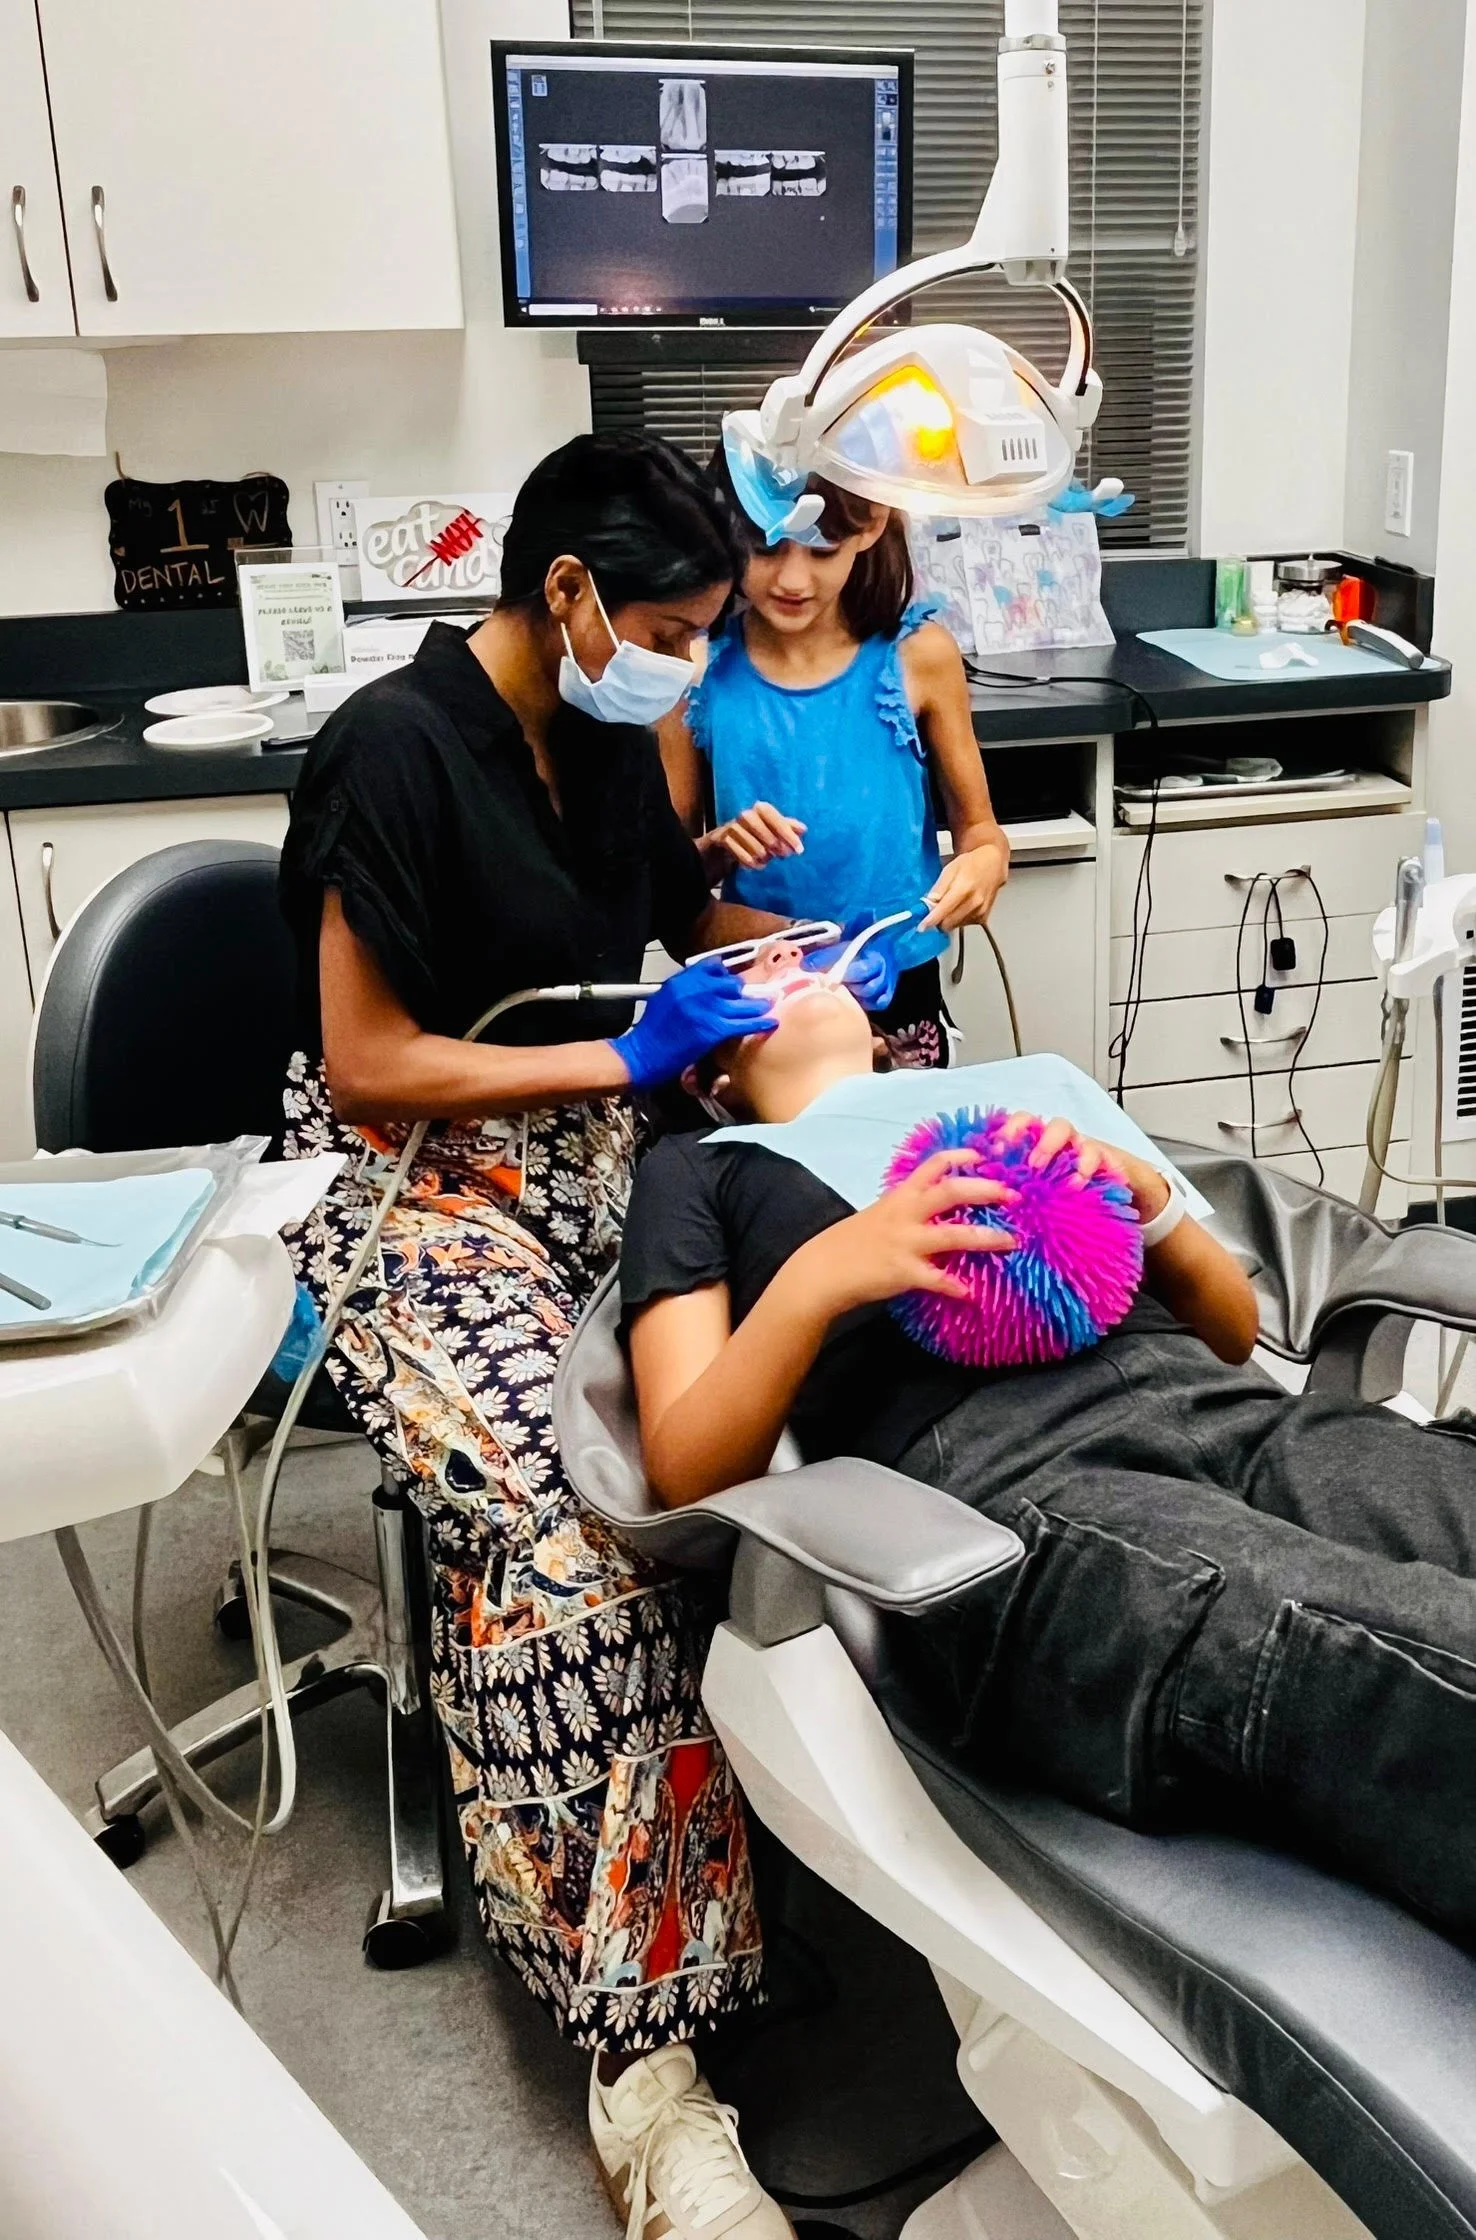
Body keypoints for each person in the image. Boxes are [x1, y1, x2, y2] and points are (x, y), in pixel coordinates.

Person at [280, 433, 808, 2240]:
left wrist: (800, 957)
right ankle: (649, 2073)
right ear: (569, 591)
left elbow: (675, 923)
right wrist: (625, 1058)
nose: (683, 659)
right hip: (417, 1201)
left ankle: (789, 1860)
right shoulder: (390, 748)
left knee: (772, 1432)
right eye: (667, 623)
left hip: (603, 1171)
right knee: (589, 1530)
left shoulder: (602, 737)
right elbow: (368, 1064)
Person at [620, 947, 1476, 1946]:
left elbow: (1236, 1329)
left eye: (803, 953)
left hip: (1223, 1403)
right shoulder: (706, 1167)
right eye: (752, 968)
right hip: (1015, 1481)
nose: (782, 954)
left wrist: (1146, 1198)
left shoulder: (1028, 1090)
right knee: (1348, 1631)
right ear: (711, 1074)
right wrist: (824, 1273)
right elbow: (685, 1463)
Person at [657, 454, 1011, 1070]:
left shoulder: (918, 656)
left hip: (898, 985)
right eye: (766, 548)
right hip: (764, 991)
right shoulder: (695, 669)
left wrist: (985, 864)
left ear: (870, 526)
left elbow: (981, 831)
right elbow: (663, 882)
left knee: (899, 1159)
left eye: (822, 550)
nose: (793, 579)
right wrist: (718, 845)